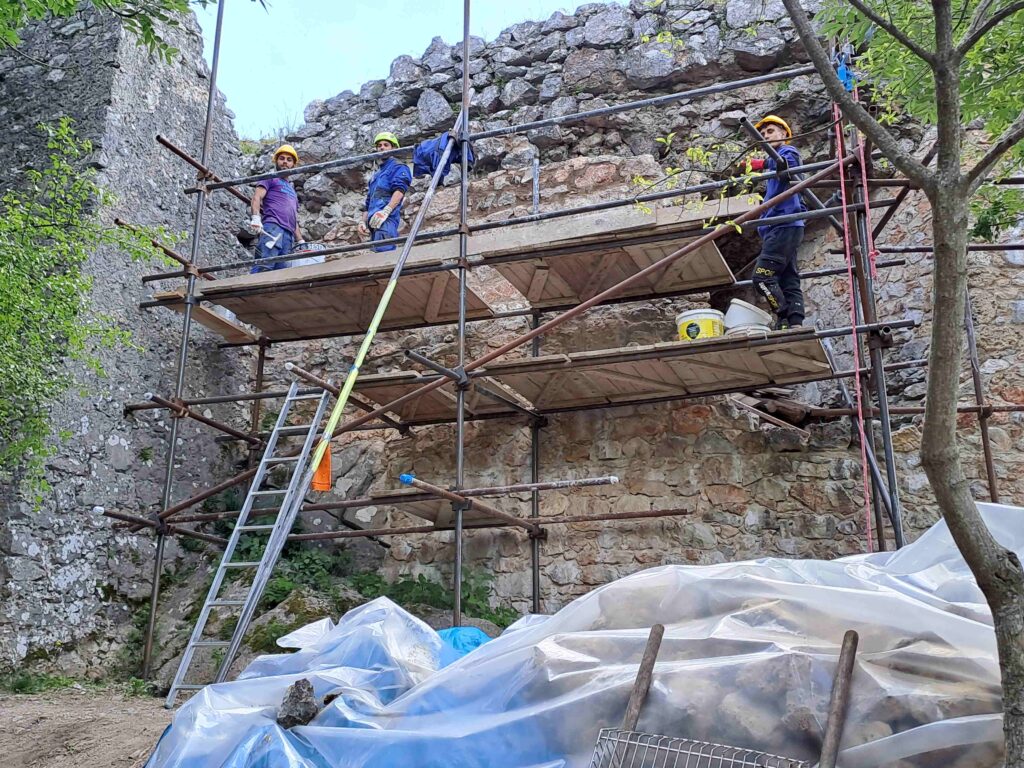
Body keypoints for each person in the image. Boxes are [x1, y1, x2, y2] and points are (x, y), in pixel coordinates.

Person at [745, 115, 807, 330]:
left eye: (770, 131)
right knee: (787, 278)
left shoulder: (787, 151)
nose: (766, 136)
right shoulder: (774, 169)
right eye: (763, 134)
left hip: (783, 226)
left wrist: (762, 163)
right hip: (783, 227)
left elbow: (788, 166)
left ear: (783, 134)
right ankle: (794, 322)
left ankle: (782, 314)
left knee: (761, 278)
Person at [249, 144, 305, 272]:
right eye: (282, 158)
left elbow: (293, 218)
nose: (285, 162)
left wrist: (300, 240)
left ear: (293, 165)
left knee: (281, 273)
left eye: (289, 160)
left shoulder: (292, 191)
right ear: (276, 161)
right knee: (265, 266)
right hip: (273, 228)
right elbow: (257, 197)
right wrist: (256, 217)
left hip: (288, 235)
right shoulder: (270, 178)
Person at [358, 132, 412, 252]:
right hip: (373, 224)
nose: (382, 148)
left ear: (394, 148)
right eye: (379, 145)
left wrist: (386, 211)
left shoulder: (398, 167)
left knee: (385, 253)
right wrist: (363, 222)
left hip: (386, 221)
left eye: (386, 145)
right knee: (377, 257)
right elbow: (368, 203)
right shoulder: (376, 175)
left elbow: (399, 190)